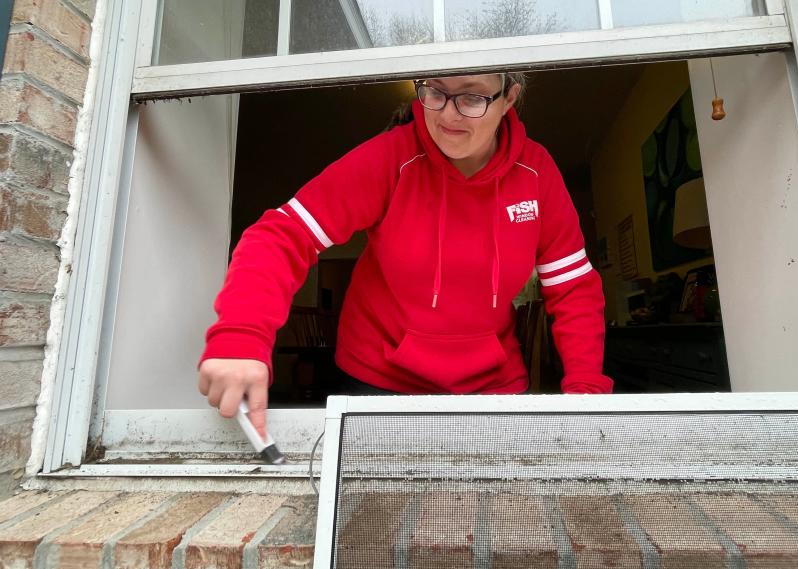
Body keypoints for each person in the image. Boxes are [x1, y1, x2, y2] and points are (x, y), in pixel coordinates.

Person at [198, 73, 613, 438]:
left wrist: (587, 393)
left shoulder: (536, 173)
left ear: (508, 99)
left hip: (494, 385)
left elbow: (573, 288)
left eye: (472, 98)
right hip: (376, 380)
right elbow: (282, 235)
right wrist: (240, 338)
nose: (448, 115)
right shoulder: (391, 157)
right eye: (435, 92)